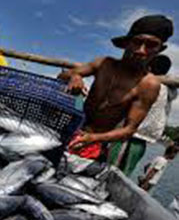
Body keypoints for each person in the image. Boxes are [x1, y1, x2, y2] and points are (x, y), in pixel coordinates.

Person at [59, 15, 174, 161]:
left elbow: (129, 130)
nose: (141, 50)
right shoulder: (104, 63)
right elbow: (62, 76)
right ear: (127, 43)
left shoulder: (148, 85)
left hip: (94, 144)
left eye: (151, 45)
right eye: (137, 42)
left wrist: (93, 138)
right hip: (68, 129)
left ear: (159, 49)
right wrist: (75, 77)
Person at [109, 55, 177, 176]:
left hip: (126, 132)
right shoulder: (170, 90)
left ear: (149, 67)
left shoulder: (142, 81)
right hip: (144, 136)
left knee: (110, 167)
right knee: (125, 172)